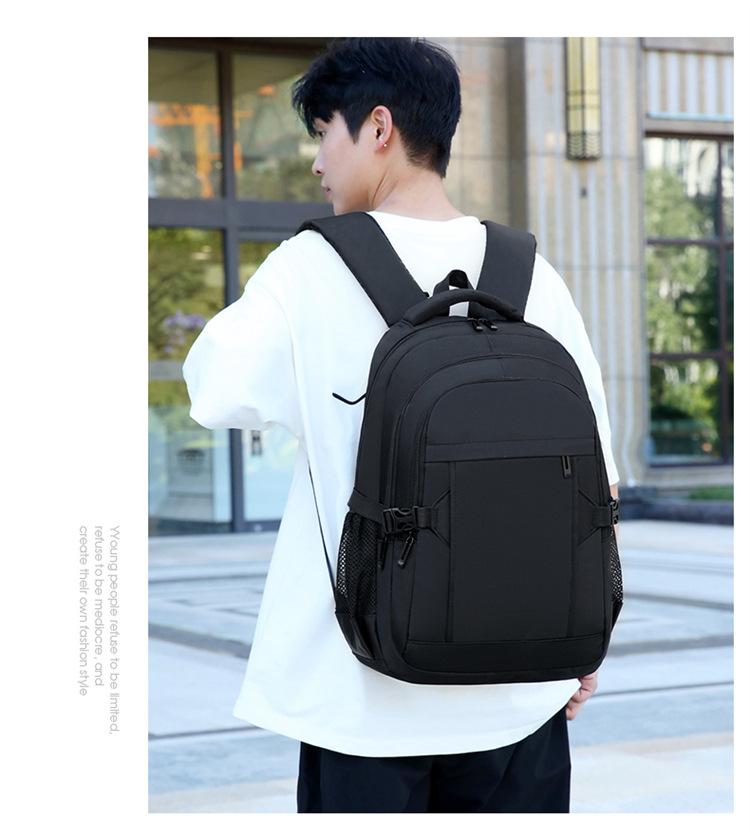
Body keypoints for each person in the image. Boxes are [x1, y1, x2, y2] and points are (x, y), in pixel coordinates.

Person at [182, 37, 620, 813]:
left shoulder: (310, 268)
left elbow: (213, 391)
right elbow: (596, 481)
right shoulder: (532, 274)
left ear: (378, 127)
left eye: (325, 132)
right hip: (519, 698)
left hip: (363, 700)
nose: (317, 161)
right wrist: (582, 639)